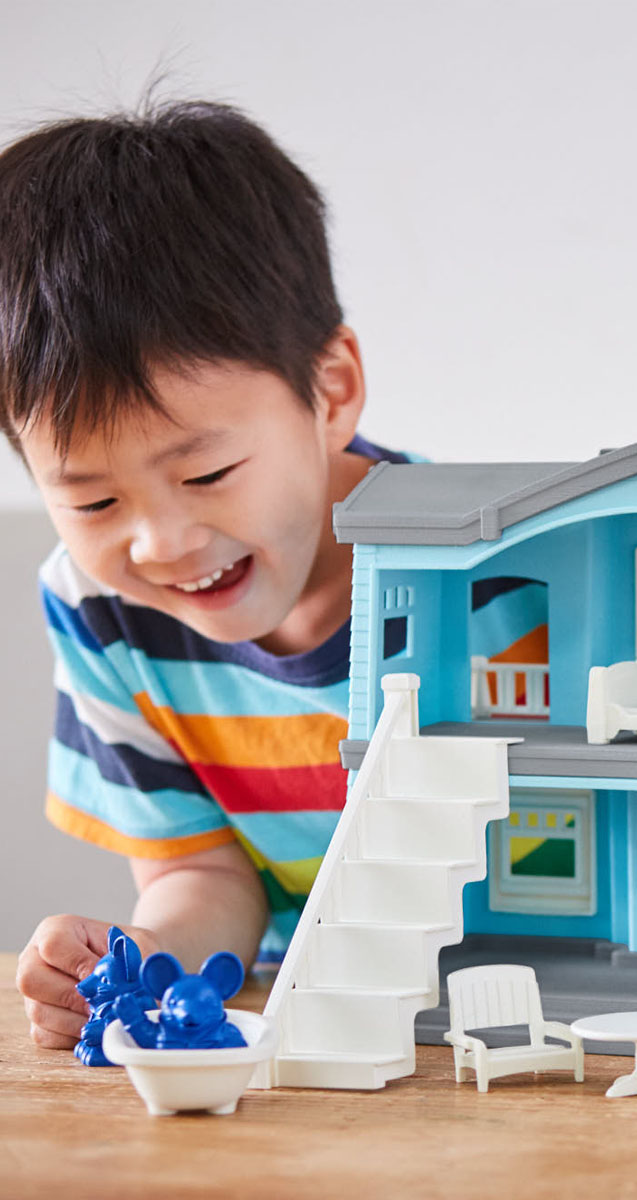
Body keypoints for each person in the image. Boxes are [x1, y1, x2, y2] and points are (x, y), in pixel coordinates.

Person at [0, 100, 412, 1051]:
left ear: (332, 391)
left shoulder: (505, 574)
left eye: (206, 475)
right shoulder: (100, 610)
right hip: (323, 1036)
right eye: (95, 501)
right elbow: (205, 874)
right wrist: (141, 960)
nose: (163, 544)